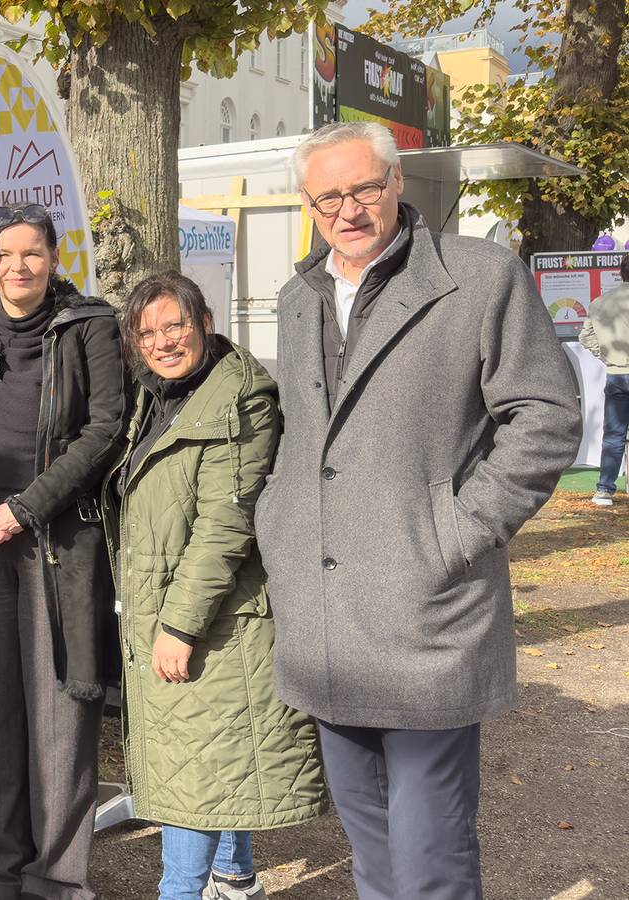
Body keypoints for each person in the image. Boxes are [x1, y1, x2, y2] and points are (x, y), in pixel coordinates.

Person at [259, 122, 580, 899]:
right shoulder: (298, 298)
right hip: (325, 614)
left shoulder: (477, 276)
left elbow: (546, 413)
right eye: (329, 196)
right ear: (308, 205)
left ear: (397, 183)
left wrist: (458, 530)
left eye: (365, 187)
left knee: (430, 854)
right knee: (369, 841)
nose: (350, 209)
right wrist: (280, 521)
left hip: (424, 611)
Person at [0, 203, 126, 900]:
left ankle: (55, 878)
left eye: (32, 252)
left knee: (61, 721)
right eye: (5, 254)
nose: (18, 265)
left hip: (56, 545)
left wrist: (26, 507)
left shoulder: (90, 325)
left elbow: (104, 429)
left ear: (53, 257)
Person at [103, 272, 327, 900]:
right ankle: (236, 877)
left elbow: (224, 527)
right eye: (146, 333)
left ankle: (180, 892)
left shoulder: (239, 400)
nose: (161, 341)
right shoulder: (163, 395)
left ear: (205, 322)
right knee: (215, 756)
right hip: (178, 607)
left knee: (191, 772)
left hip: (213, 620)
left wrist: (178, 626)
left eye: (174, 325)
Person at [579, 257, 629, 506]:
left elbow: (585, 335)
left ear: (620, 273)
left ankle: (605, 489)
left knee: (614, 434)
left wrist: (606, 356)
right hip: (618, 370)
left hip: (616, 372)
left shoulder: (600, 302)